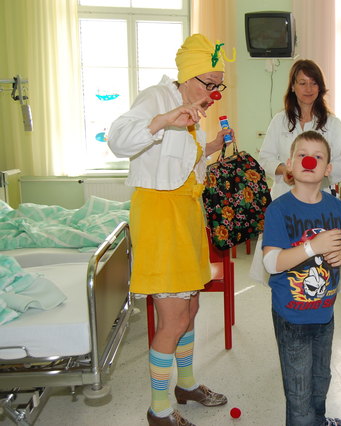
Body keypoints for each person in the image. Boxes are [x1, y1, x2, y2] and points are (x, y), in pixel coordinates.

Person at [108, 34, 234, 426]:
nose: (214, 93)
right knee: (173, 319)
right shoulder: (157, 98)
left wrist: (212, 145)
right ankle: (159, 409)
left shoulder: (195, 109)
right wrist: (162, 121)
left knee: (191, 308)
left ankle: (187, 384)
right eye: (208, 84)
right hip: (161, 216)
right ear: (187, 76)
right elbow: (118, 139)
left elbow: (179, 163)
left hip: (186, 214)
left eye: (219, 85)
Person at [262, 131, 341, 426]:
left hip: (324, 314)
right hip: (292, 318)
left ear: (328, 170)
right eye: (303, 154)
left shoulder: (337, 207)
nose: (309, 160)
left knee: (320, 382)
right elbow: (271, 262)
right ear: (290, 164)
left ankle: (319, 421)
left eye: (318, 157)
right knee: (299, 392)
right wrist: (311, 247)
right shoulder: (278, 209)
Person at [258, 59, 341, 200]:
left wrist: (317, 175)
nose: (309, 89)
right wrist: (285, 170)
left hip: (320, 197)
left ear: (320, 87)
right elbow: (265, 158)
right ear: (293, 87)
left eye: (314, 83)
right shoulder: (279, 120)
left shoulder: (333, 124)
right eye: (302, 83)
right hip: (284, 196)